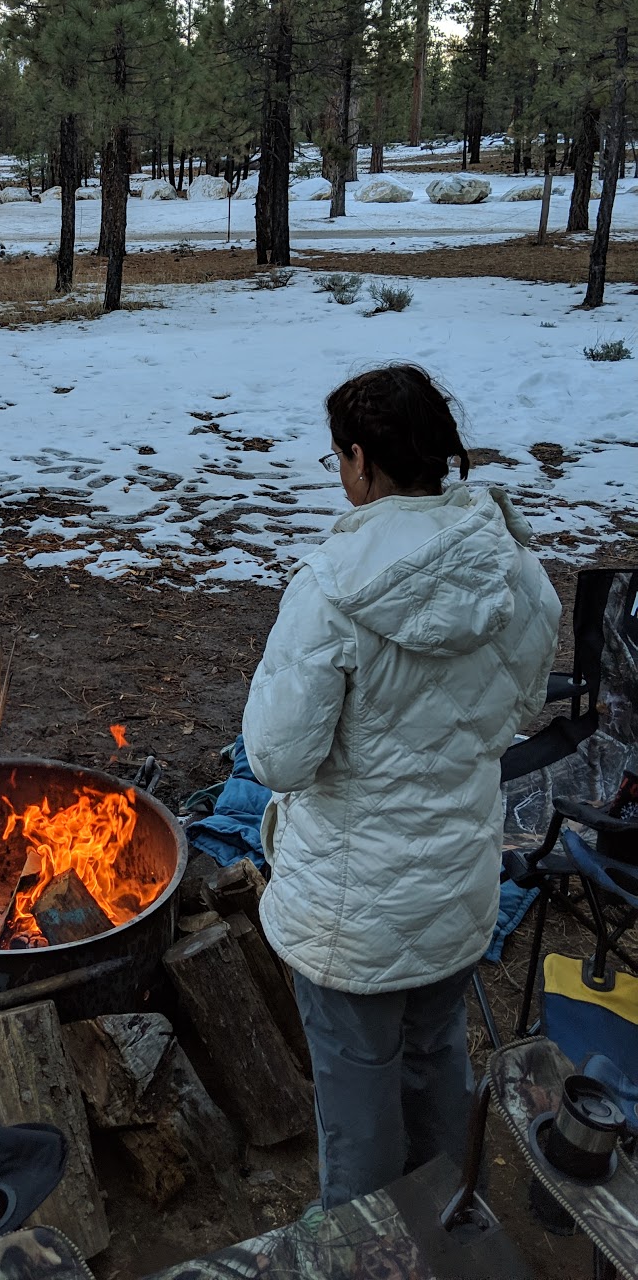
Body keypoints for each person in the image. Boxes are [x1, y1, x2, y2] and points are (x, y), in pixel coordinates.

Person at [242, 363, 561, 1210]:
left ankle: (369, 1253)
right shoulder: (516, 572)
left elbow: (277, 760)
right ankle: (453, 1221)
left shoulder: (330, 592)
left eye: (337, 459)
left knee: (357, 1100)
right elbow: (525, 706)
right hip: (456, 891)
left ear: (362, 460)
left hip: (352, 916)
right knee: (435, 1059)